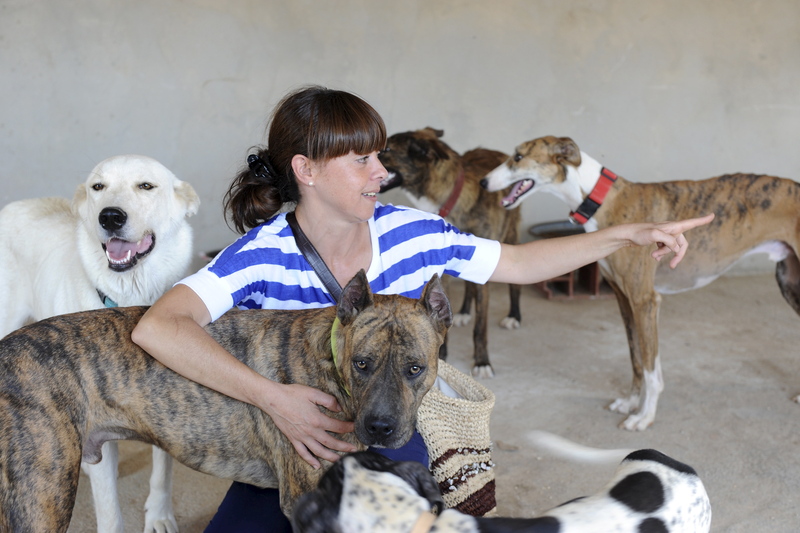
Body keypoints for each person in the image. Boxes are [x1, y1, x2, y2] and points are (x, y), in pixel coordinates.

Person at [131, 85, 714, 532]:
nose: (382, 173)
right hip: (292, 436)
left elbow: (517, 263)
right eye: (361, 161)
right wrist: (275, 399)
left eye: (379, 157)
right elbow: (161, 327)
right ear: (306, 171)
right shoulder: (260, 256)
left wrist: (625, 235)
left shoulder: (416, 234)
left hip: (391, 430)